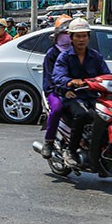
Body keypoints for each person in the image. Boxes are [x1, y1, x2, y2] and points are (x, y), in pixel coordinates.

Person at [52, 18, 112, 168]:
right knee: (82, 115)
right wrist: (71, 82)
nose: (81, 39)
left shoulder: (95, 56)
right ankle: (71, 151)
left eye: (84, 36)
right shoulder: (64, 57)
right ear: (71, 38)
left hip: (92, 96)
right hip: (71, 97)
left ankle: (103, 152)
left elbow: (107, 74)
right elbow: (57, 77)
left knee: (108, 115)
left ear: (88, 37)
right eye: (78, 36)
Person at [40, 15, 72, 158]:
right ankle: (49, 141)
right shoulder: (52, 54)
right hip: (55, 91)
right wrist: (64, 90)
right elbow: (50, 80)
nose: (67, 37)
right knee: (57, 108)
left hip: (76, 91)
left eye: (69, 34)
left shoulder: (80, 51)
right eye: (64, 33)